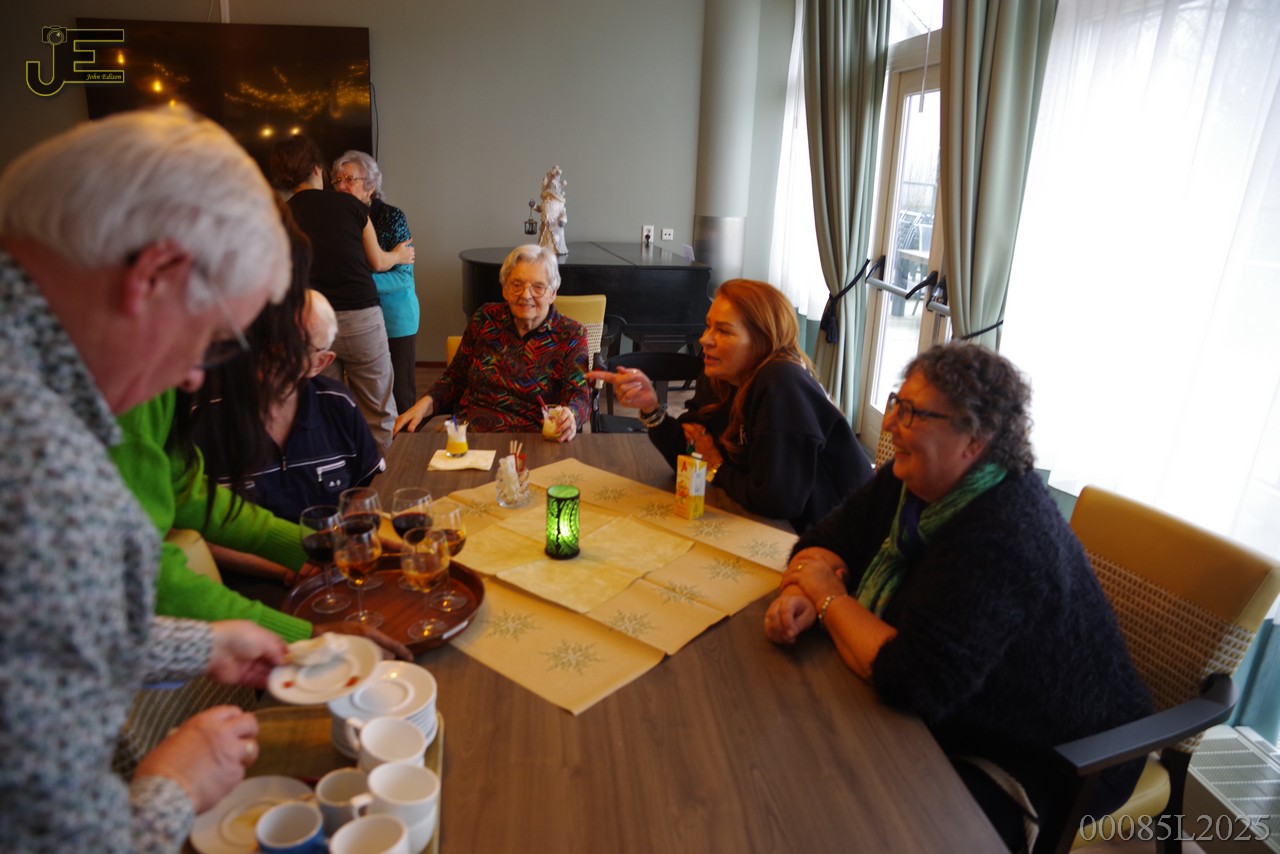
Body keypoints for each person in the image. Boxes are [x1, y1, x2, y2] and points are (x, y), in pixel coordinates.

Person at [0, 108, 294, 850]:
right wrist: (174, 787)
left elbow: (24, 639)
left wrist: (198, 645)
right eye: (213, 340)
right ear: (156, 274)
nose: (194, 375)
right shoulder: (48, 479)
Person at [764, 342, 1153, 852]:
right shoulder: (910, 484)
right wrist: (804, 590)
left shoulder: (1005, 532)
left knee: (855, 822)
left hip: (1056, 756)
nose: (889, 424)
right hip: (960, 711)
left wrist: (827, 597)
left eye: (912, 412)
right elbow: (820, 543)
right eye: (896, 403)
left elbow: (911, 680)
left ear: (974, 440)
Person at [588, 279, 871, 532]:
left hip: (840, 539)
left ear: (761, 341)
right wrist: (652, 408)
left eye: (723, 331)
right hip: (770, 526)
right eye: (708, 326)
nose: (705, 339)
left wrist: (717, 466)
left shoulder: (782, 382)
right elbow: (689, 457)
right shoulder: (720, 377)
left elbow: (777, 500)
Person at [269, 135, 413, 452]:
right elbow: (377, 262)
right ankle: (381, 471)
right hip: (361, 317)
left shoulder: (281, 215)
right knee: (378, 407)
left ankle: (335, 471)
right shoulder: (350, 205)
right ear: (317, 170)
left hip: (314, 322)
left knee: (326, 404)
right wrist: (399, 256)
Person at [196, 288, 385, 524]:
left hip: (330, 544)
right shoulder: (206, 416)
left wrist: (344, 534)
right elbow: (190, 517)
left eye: (294, 345)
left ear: (319, 363)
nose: (273, 350)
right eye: (268, 335)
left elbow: (368, 485)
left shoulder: (338, 404)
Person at [395, 243, 589, 439]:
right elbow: (455, 378)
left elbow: (579, 396)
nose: (526, 295)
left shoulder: (571, 335)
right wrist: (424, 405)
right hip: (471, 437)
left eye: (538, 287)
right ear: (505, 289)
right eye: (516, 285)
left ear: (553, 293)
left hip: (534, 440)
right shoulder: (486, 318)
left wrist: (571, 415)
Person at [332, 150, 420, 414]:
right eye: (337, 180)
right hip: (353, 320)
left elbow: (402, 277)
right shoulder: (335, 220)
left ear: (370, 185)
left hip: (395, 318)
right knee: (362, 398)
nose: (341, 186)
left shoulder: (391, 217)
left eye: (349, 179)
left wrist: (353, 282)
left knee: (400, 396)